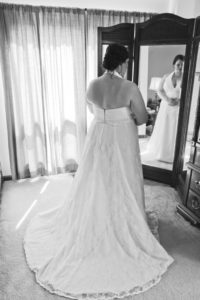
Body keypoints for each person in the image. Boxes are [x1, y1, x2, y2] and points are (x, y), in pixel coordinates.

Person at [23, 44, 174, 299]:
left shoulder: (92, 85)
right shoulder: (130, 87)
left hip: (98, 137)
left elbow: (93, 109)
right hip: (122, 139)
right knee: (123, 179)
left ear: (106, 61)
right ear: (123, 62)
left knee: (96, 180)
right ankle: (121, 222)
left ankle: (98, 213)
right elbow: (141, 119)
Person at [147, 54, 184, 163]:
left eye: (182, 65)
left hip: (177, 107)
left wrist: (178, 101)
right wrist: (168, 100)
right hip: (166, 106)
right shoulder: (166, 76)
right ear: (174, 65)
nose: (180, 67)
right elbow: (159, 90)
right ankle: (161, 153)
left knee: (173, 130)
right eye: (178, 64)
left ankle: (171, 154)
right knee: (163, 128)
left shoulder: (185, 77)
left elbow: (187, 93)